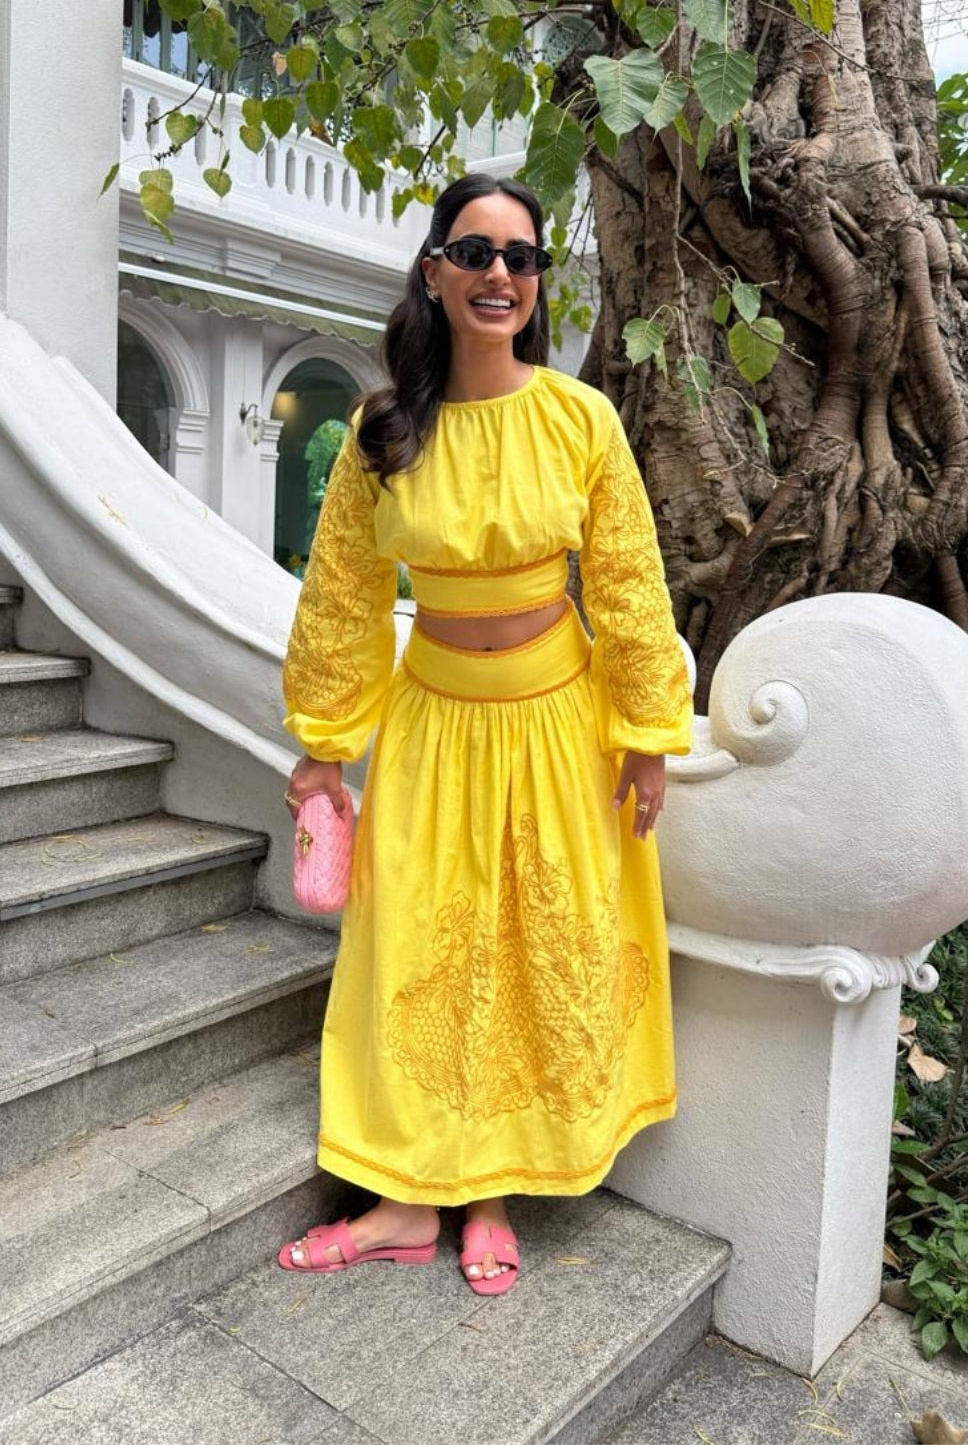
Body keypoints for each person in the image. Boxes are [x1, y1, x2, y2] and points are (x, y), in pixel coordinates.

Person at [279, 173, 693, 1295]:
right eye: (474, 252)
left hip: (558, 726)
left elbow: (628, 581)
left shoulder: (579, 420)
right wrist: (323, 743)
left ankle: (494, 1196)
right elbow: (342, 595)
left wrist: (647, 732)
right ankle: (407, 1202)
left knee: (530, 950)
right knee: (417, 949)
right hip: (430, 726)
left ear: (537, 282)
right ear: (434, 272)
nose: (498, 274)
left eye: (520, 257)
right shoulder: (382, 431)